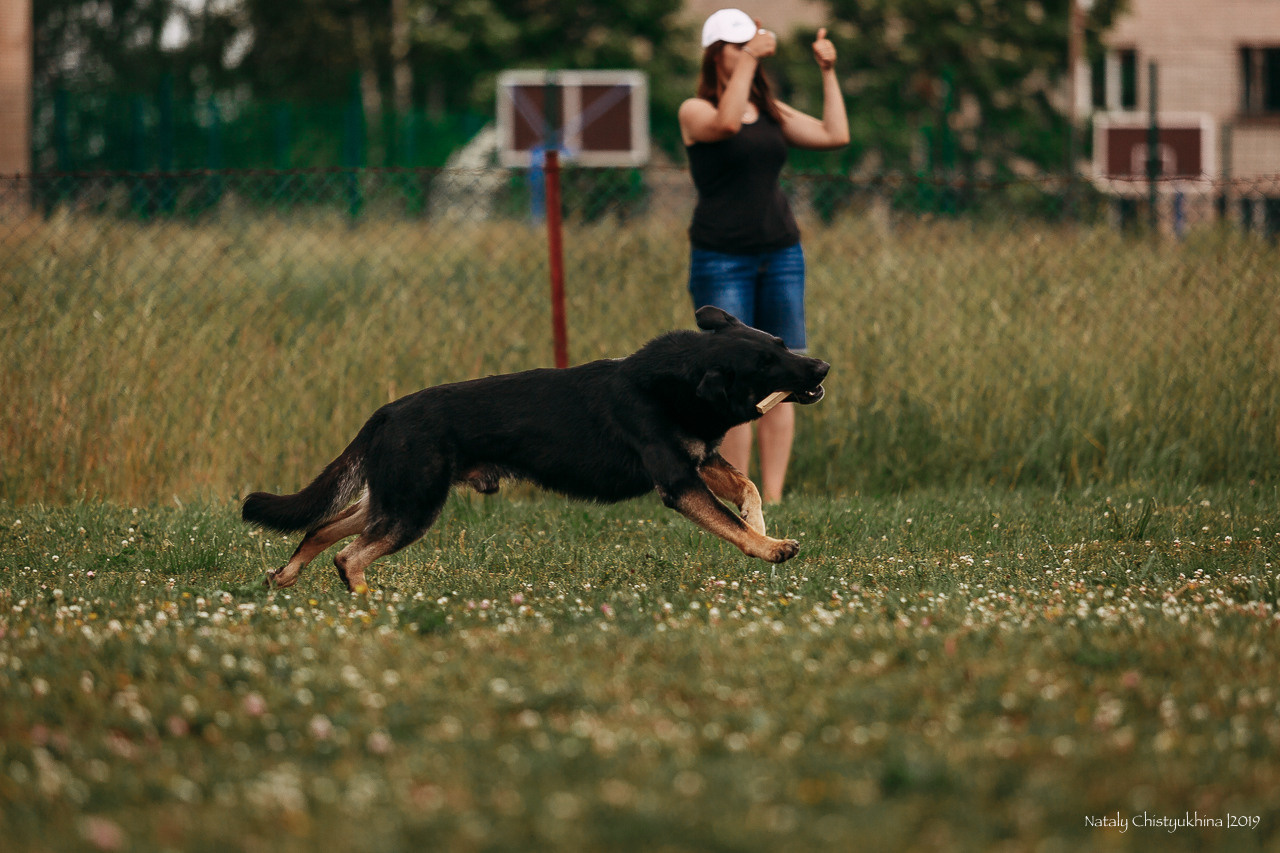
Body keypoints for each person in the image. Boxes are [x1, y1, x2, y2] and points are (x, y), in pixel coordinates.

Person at [679, 8, 849, 503]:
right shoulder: (695, 109)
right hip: (721, 256)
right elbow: (727, 122)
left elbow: (835, 135)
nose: (745, 52)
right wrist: (753, 58)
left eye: (748, 45)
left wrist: (828, 71)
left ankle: (774, 497)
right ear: (716, 54)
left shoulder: (770, 108)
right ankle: (740, 493)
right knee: (734, 380)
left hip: (780, 254)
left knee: (784, 371)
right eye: (735, 47)